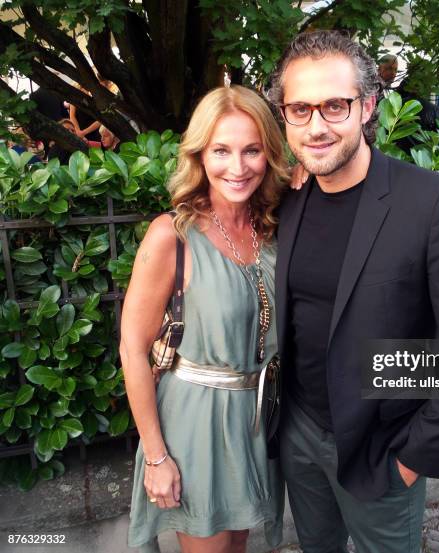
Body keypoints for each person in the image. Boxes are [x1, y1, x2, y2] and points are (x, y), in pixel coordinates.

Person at [267, 30, 439, 553]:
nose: (317, 126)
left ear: (368, 105)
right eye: (299, 110)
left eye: (334, 105)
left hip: (383, 447)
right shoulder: (289, 200)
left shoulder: (433, 205)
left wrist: (413, 459)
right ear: (284, 115)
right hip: (300, 436)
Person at [121, 85, 288, 553]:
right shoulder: (170, 236)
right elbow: (132, 350)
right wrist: (156, 457)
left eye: (252, 150)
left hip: (254, 417)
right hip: (195, 424)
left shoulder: (272, 227)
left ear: (269, 154)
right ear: (199, 154)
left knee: (237, 545)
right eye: (221, 150)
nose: (238, 167)